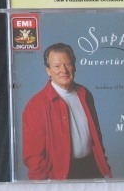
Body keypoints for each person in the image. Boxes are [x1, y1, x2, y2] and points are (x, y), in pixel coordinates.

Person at [23, 43, 111, 180]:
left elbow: (96, 136)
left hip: (91, 167)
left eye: (68, 64)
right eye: (57, 66)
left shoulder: (85, 94)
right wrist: (44, 187)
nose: (63, 70)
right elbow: (34, 156)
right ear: (48, 70)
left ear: (74, 67)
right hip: (61, 174)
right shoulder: (36, 105)